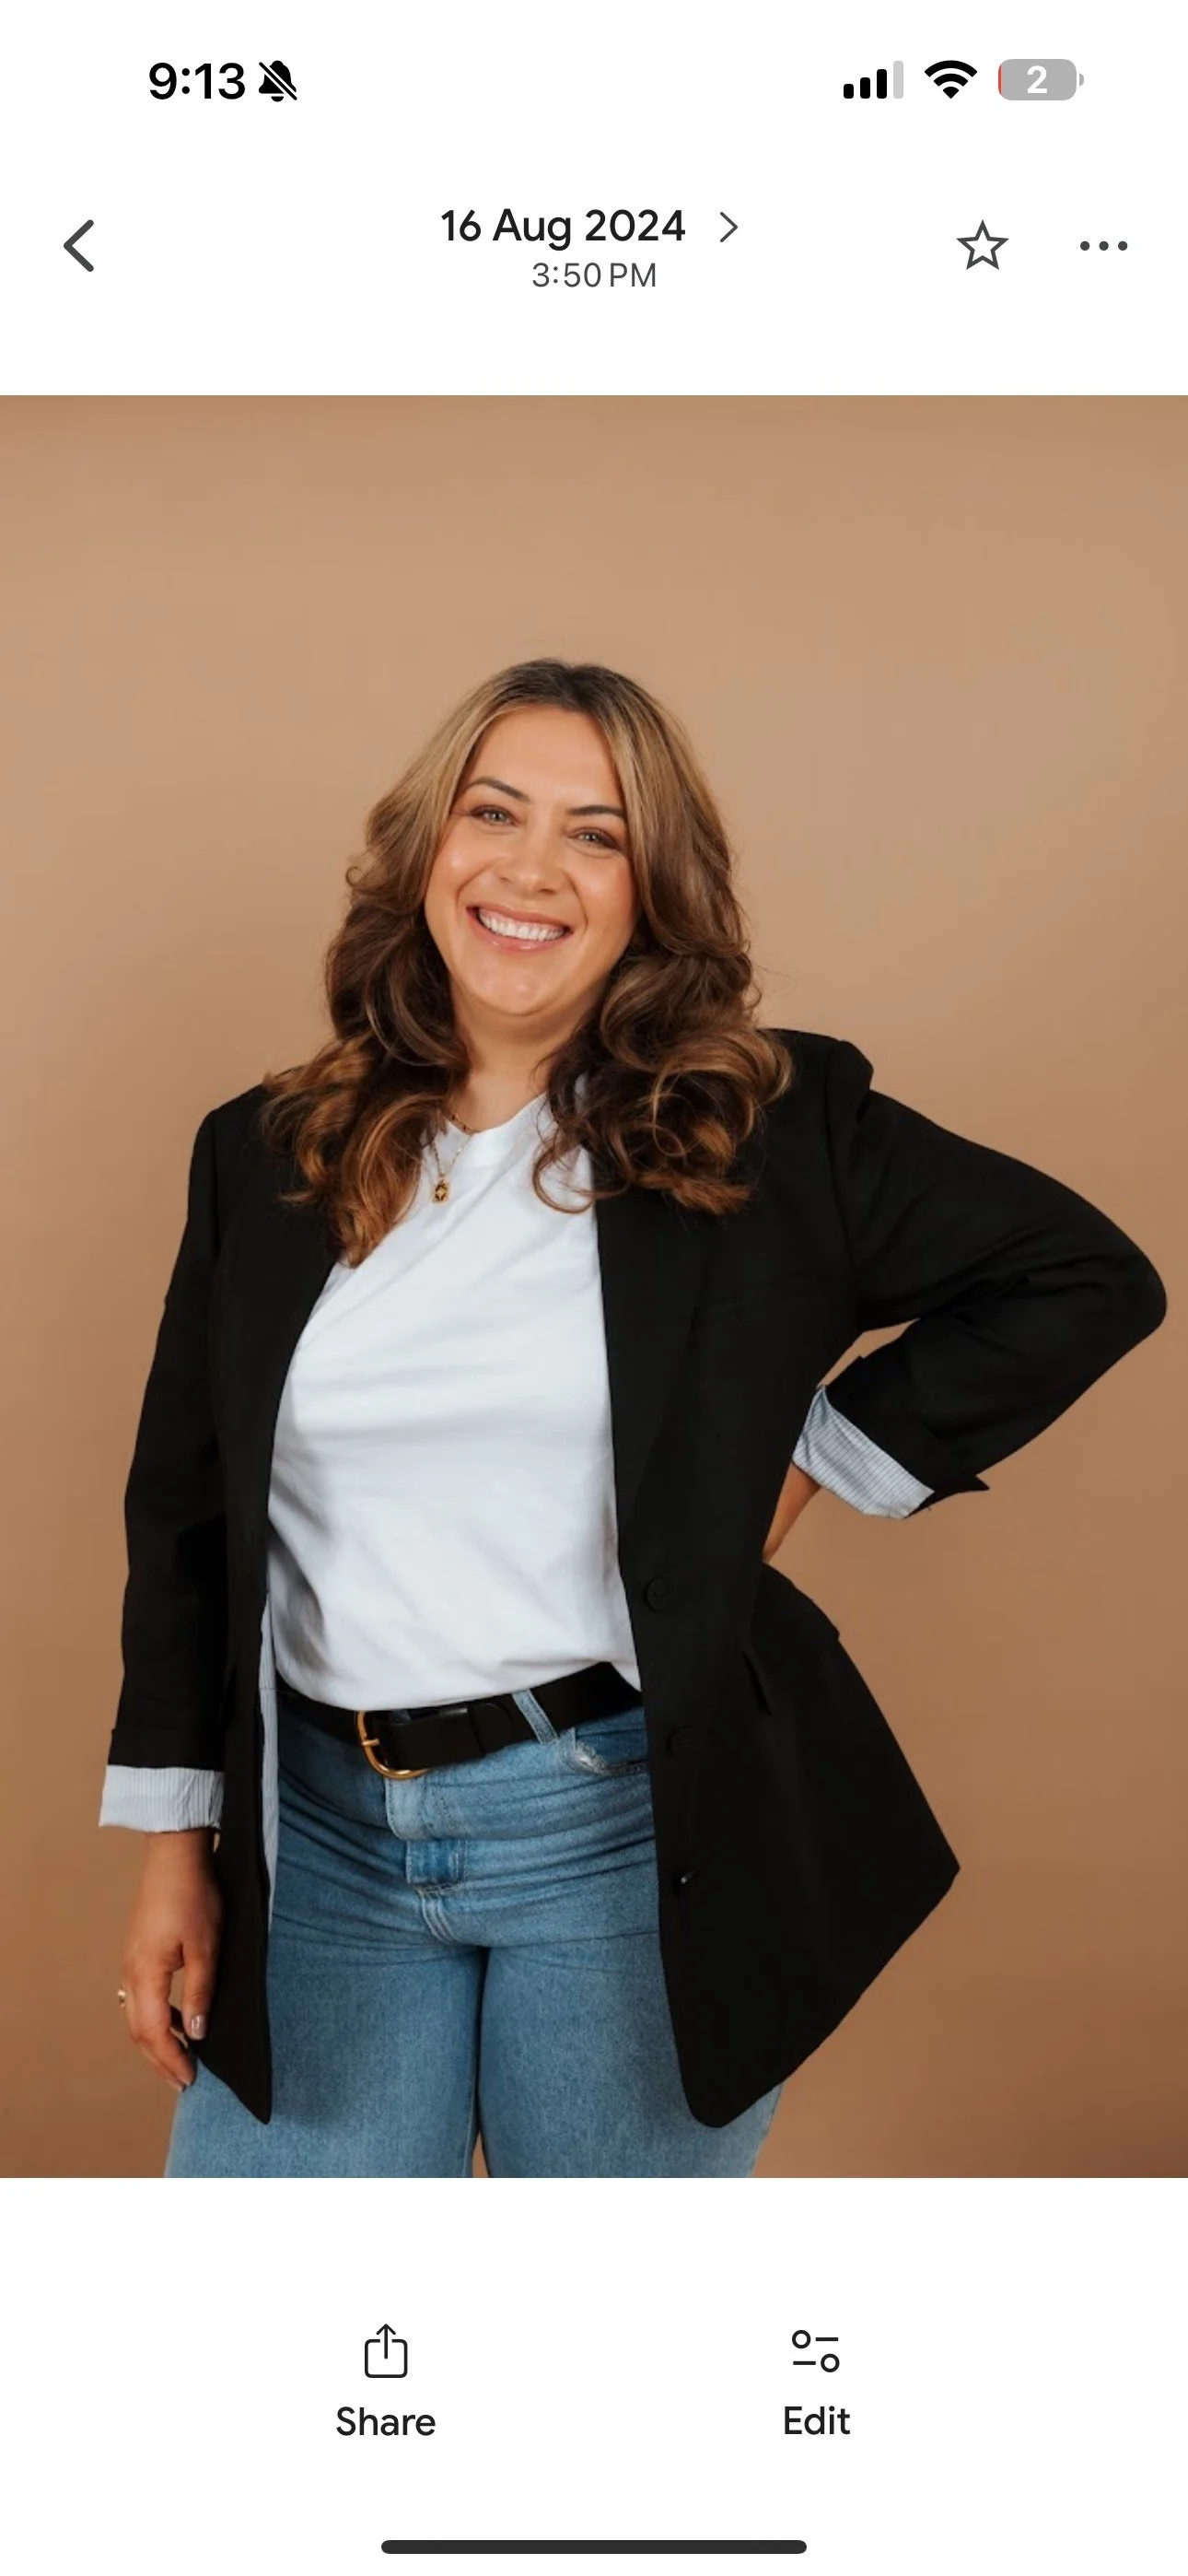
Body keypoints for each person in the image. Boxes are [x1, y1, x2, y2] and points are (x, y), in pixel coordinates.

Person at [100, 657, 1166, 2177]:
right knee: (292, 2349)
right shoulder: (266, 1150)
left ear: (651, 890)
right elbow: (187, 1509)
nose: (531, 870)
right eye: (495, 813)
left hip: (619, 1832)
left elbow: (1083, 1276)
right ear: (427, 852)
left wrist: (814, 1460)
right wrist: (175, 1854)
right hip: (315, 1839)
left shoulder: (769, 1130)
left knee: (604, 2364)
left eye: (596, 835)